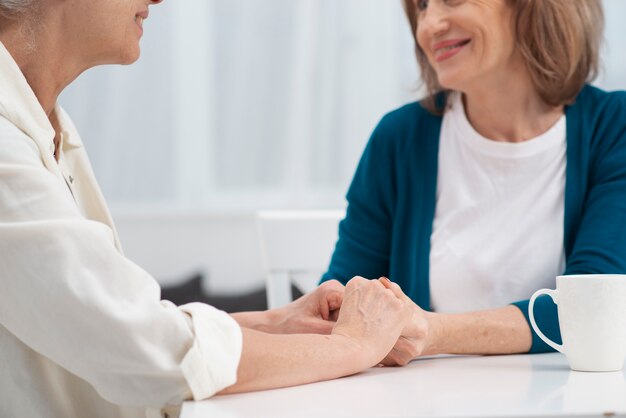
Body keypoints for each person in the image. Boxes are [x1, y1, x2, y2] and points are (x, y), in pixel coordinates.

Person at [0, 1, 415, 417]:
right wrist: (348, 347)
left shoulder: (46, 126)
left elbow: (109, 324)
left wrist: (275, 324)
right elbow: (150, 353)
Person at [321, 0, 626, 366]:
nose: (429, 24)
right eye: (421, 6)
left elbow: (596, 305)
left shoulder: (615, 127)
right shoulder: (399, 138)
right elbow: (342, 303)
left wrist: (430, 331)